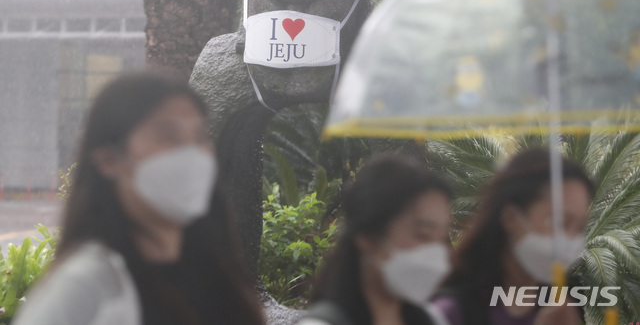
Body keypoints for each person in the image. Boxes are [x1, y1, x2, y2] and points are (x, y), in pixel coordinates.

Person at [13, 72, 264, 325]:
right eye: (168, 137)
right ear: (109, 160)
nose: (193, 156)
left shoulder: (215, 272)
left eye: (200, 137)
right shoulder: (83, 287)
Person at [430, 147, 594, 325]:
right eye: (560, 222)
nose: (570, 239)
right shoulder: (451, 312)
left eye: (580, 227)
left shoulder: (561, 308)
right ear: (511, 218)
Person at [298, 155, 453, 325]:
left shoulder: (433, 320)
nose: (437, 254)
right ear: (368, 237)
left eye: (441, 238)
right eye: (423, 234)